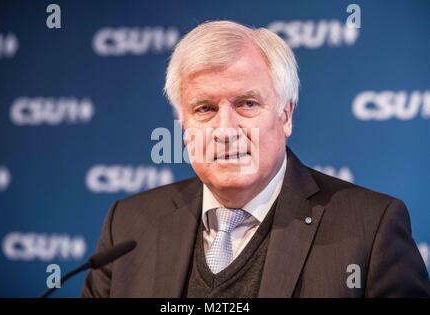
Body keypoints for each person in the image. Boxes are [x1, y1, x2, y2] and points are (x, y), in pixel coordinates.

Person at [82, 20, 429, 297]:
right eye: (205, 108)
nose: (226, 130)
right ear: (183, 127)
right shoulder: (127, 226)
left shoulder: (370, 229)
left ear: (286, 114)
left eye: (247, 103)